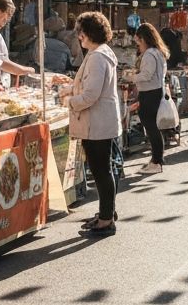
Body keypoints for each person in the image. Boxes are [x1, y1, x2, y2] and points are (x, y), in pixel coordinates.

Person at [60, 12, 121, 236]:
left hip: (97, 124)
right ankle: (107, 212)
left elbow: (91, 95)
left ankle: (106, 220)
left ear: (86, 33)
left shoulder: (97, 57)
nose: (79, 37)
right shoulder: (99, 53)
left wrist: (69, 102)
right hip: (100, 122)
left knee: (101, 171)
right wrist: (71, 89)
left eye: (80, 33)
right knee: (103, 170)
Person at [133, 23, 169, 174]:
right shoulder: (159, 52)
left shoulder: (149, 54)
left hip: (150, 93)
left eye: (138, 42)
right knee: (153, 127)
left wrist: (131, 77)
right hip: (156, 90)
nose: (138, 45)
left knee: (151, 127)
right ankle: (156, 159)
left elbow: (146, 75)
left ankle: (156, 161)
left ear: (144, 39)